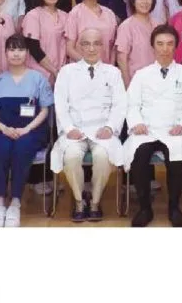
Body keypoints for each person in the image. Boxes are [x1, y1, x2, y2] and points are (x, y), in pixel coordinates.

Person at [121, 26, 182, 227]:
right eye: (160, 44)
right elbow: (131, 104)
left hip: (174, 129)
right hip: (146, 129)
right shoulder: (142, 74)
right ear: (153, 47)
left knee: (176, 155)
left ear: (176, 46)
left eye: (169, 44)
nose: (164, 49)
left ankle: (174, 207)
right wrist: (137, 123)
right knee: (139, 154)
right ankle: (144, 208)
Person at [51, 28, 127, 222]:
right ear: (79, 46)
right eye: (86, 43)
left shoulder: (113, 72)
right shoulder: (67, 72)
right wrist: (69, 129)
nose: (91, 48)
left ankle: (94, 201)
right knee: (71, 156)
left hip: (103, 130)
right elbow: (60, 104)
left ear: (103, 46)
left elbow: (120, 104)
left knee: (102, 156)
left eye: (96, 43)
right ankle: (79, 201)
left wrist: (110, 127)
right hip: (74, 130)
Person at [0, 35, 55, 227]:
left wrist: (26, 129)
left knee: (22, 149)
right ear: (6, 53)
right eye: (12, 49)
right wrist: (4, 128)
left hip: (32, 131)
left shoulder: (38, 79)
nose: (16, 54)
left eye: (20, 49)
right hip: (3, 130)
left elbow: (45, 111)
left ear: (27, 53)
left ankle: (15, 203)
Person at [21, 0, 68, 84]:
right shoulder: (33, 16)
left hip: (61, 74)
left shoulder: (65, 16)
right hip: (38, 75)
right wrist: (54, 71)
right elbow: (34, 48)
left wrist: (61, 72)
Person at [66, 0, 117, 64]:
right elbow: (69, 48)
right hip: (82, 68)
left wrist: (110, 67)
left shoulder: (109, 14)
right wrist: (89, 65)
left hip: (105, 68)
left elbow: (113, 48)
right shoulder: (75, 13)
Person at [116, 0, 159, 88]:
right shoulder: (126, 26)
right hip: (135, 82)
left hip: (156, 81)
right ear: (133, 1)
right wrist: (127, 86)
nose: (145, 2)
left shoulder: (157, 25)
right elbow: (121, 59)